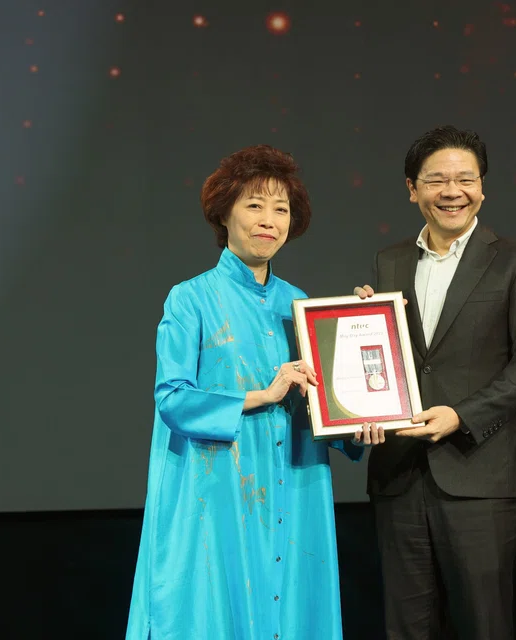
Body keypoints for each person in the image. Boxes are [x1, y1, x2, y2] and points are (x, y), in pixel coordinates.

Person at [126, 144, 384, 640]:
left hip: (296, 486)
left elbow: (320, 405)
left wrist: (359, 406)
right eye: (254, 205)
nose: (269, 220)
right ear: (224, 213)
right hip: (218, 492)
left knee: (293, 613)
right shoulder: (190, 298)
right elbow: (173, 400)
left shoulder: (300, 303)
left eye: (281, 209)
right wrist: (263, 395)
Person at [354, 125, 516, 639]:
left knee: (483, 627)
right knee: (407, 629)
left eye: (466, 179)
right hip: (400, 477)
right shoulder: (390, 261)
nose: (453, 192)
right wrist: (360, 325)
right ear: (412, 189)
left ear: (482, 188)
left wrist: (462, 416)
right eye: (437, 180)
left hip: (480, 480)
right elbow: (392, 358)